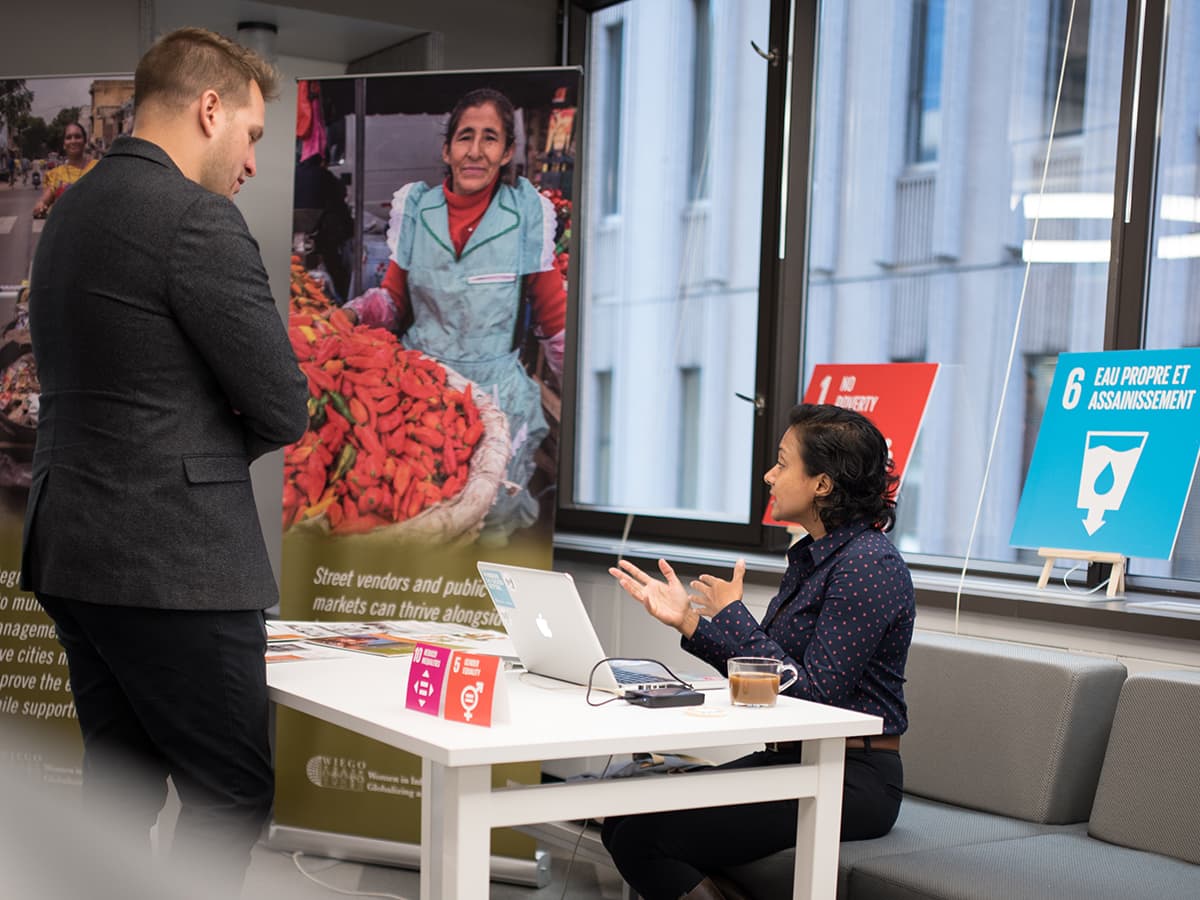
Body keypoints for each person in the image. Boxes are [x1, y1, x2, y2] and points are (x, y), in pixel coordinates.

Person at [21, 26, 308, 893]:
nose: (253, 161)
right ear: (209, 108)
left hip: (72, 547)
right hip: (171, 561)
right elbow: (281, 403)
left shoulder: (69, 211)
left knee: (120, 797)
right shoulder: (195, 220)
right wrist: (200, 443)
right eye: (253, 135)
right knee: (231, 795)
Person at [603, 404, 916, 900]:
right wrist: (690, 622)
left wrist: (734, 616)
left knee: (646, 839)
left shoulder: (867, 564)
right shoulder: (817, 556)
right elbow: (768, 674)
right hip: (794, 763)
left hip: (852, 780)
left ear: (823, 484)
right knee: (622, 818)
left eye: (782, 462)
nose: (770, 475)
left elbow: (815, 696)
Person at [343, 87, 566, 542]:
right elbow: (393, 300)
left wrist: (586, 402)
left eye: (490, 138)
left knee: (486, 525)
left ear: (507, 152)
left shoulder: (527, 214)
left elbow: (553, 317)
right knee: (416, 516)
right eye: (465, 137)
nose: (475, 151)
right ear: (447, 149)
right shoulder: (416, 209)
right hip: (421, 393)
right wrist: (353, 315)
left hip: (496, 401)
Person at [32, 123, 97, 216]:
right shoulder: (56, 174)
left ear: (85, 141)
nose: (73, 141)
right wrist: (40, 204)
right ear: (64, 144)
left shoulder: (98, 167)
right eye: (68, 137)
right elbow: (45, 198)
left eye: (77, 136)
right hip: (63, 229)